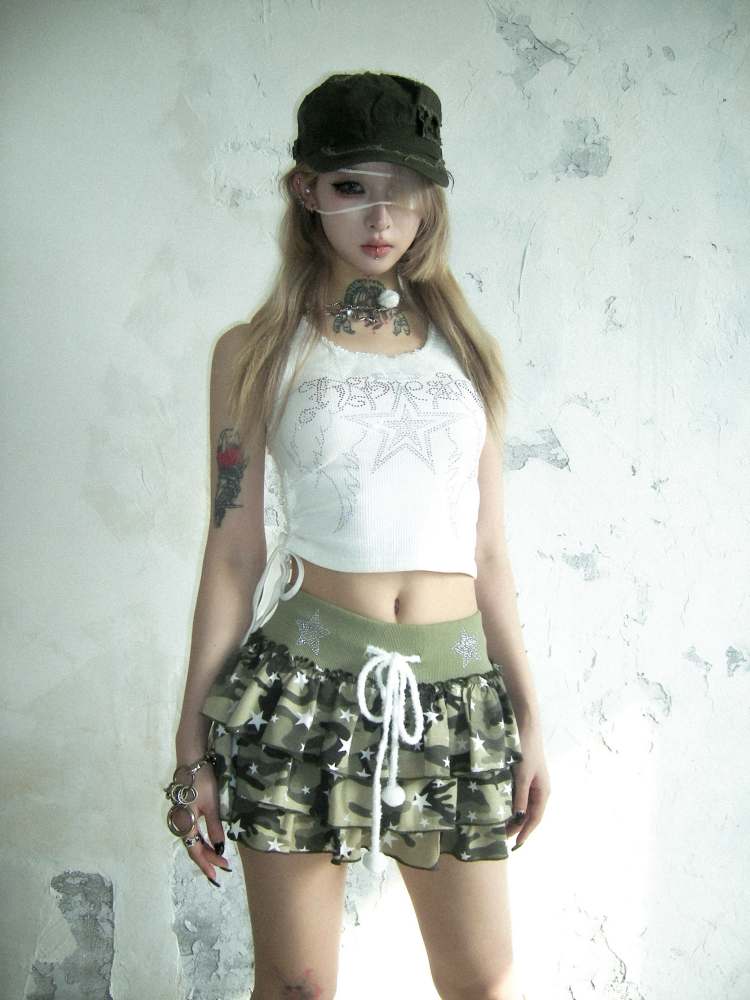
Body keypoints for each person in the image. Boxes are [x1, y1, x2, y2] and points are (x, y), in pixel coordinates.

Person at [165, 71, 551, 1000]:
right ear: (306, 191)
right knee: (296, 986)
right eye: (350, 186)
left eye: (403, 187)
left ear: (431, 197)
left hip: (454, 697)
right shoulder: (258, 350)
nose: (381, 217)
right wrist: (191, 744)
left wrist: (530, 715)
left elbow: (487, 552)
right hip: (300, 690)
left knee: (485, 981)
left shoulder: (469, 351)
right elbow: (234, 552)